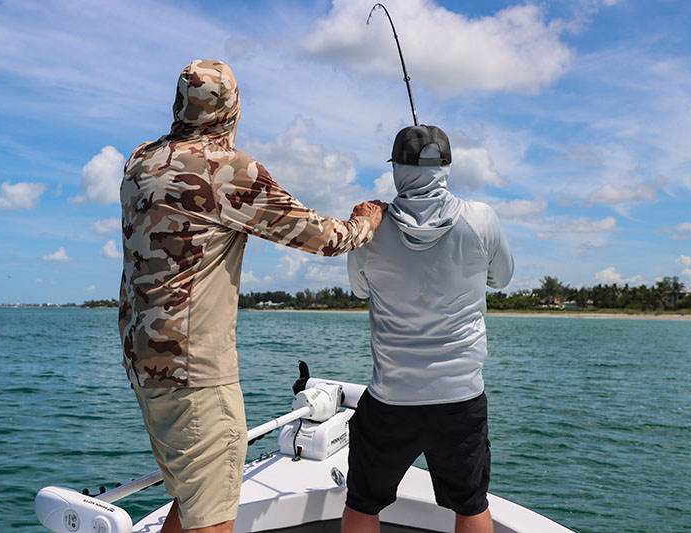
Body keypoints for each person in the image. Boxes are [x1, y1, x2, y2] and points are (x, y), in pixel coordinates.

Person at [119, 59, 386, 533]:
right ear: (233, 110)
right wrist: (366, 219)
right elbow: (325, 237)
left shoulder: (140, 161)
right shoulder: (228, 171)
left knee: (189, 497)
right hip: (196, 372)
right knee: (214, 519)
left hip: (144, 364)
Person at [341, 125, 514, 533]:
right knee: (470, 504)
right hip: (461, 396)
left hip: (391, 399)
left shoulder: (371, 229)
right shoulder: (481, 219)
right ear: (447, 166)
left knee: (363, 503)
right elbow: (501, 279)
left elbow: (358, 287)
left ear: (397, 169)